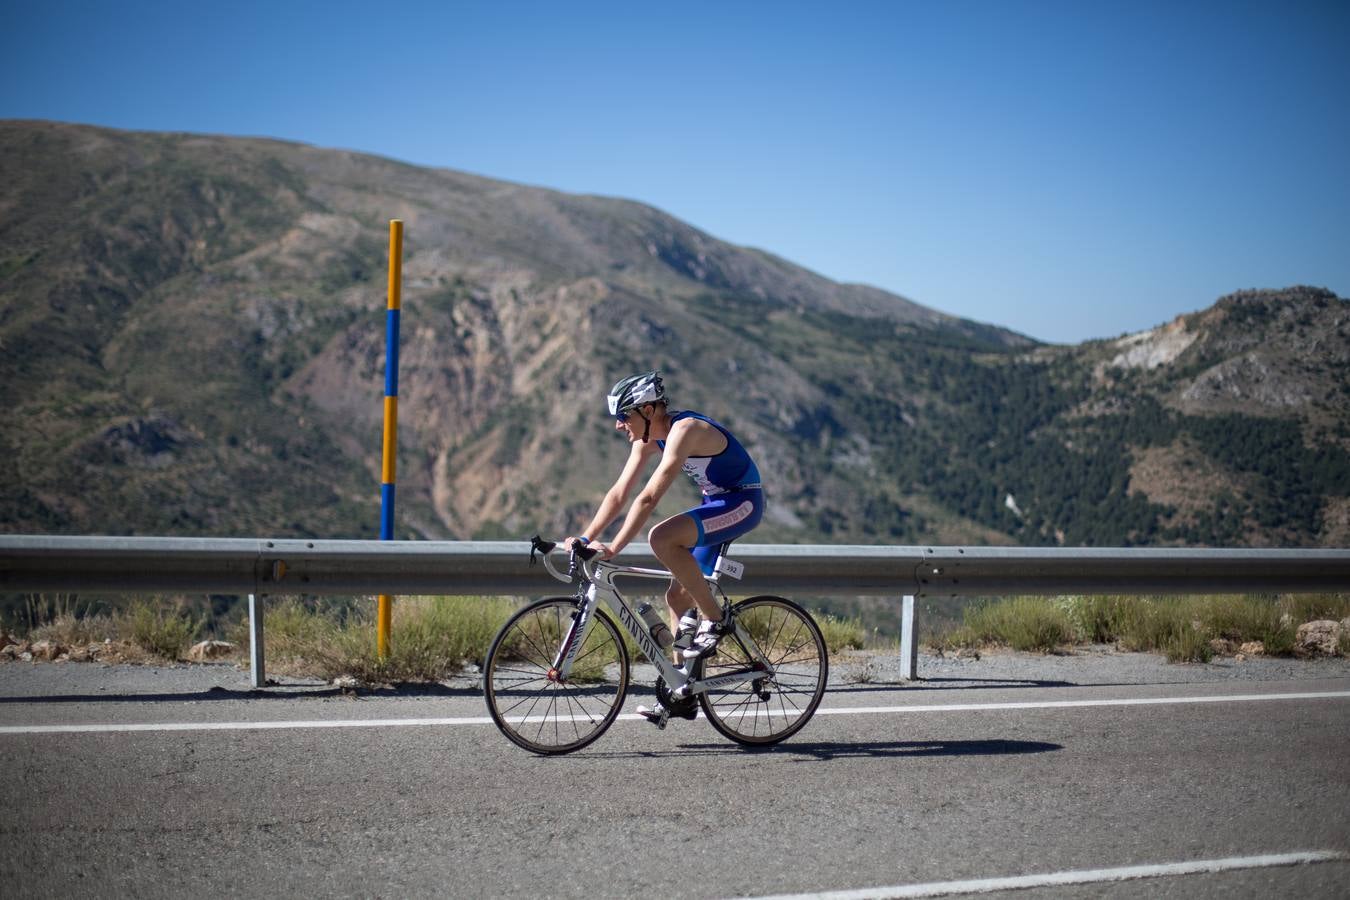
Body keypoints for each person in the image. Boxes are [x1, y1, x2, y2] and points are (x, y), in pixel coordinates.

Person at [565, 371, 764, 721]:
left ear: (647, 411)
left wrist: (613, 548)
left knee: (661, 537)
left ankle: (716, 620)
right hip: (716, 503)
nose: (618, 425)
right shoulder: (648, 438)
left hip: (742, 502)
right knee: (677, 597)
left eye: (623, 416)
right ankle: (682, 691)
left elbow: (648, 497)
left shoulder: (685, 430)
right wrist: (586, 536)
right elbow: (619, 493)